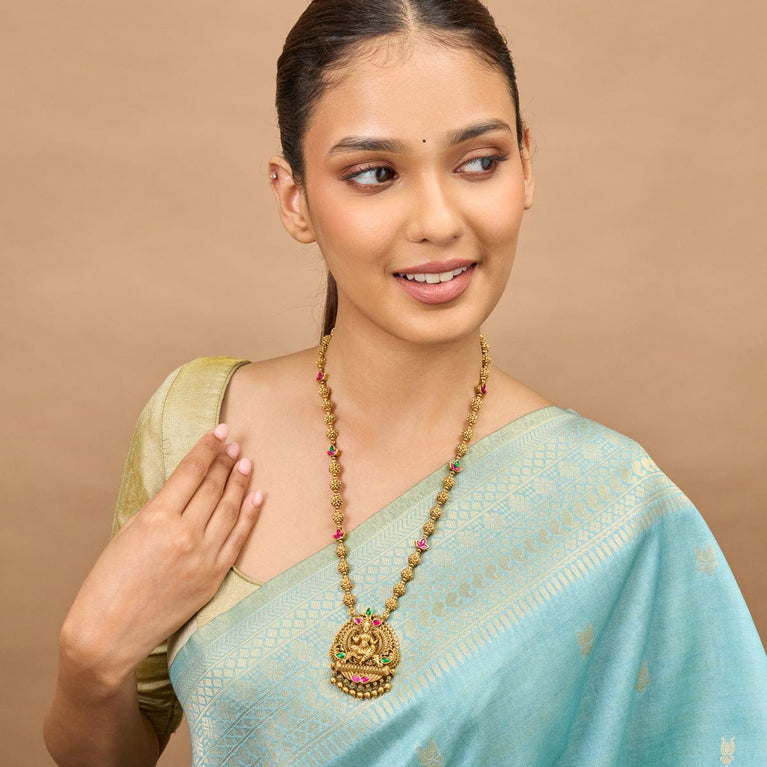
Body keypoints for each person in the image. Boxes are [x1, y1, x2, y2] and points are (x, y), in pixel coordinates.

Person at [44, 0, 767, 765]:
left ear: (526, 163)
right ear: (294, 198)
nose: (438, 219)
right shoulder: (200, 426)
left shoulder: (612, 503)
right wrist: (89, 660)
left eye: (479, 162)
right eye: (374, 174)